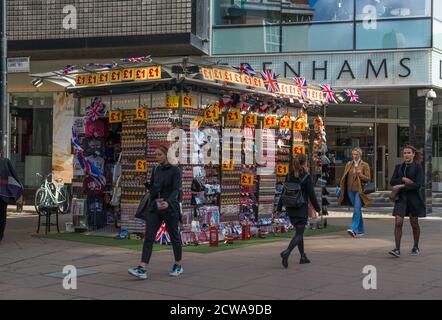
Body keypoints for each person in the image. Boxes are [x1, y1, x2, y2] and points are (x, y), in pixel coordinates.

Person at [128, 145, 183, 280]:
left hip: (170, 208)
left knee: (174, 237)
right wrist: (145, 183)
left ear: (166, 154)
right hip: (155, 207)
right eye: (156, 155)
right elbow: (153, 189)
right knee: (149, 237)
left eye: (159, 154)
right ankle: (142, 268)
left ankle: (178, 265)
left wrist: (168, 202)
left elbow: (176, 190)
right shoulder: (156, 169)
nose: (157, 157)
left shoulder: (175, 170)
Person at [277, 154, 321, 269]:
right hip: (301, 208)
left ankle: (303, 256)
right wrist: (318, 209)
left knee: (298, 232)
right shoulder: (306, 177)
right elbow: (312, 195)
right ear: (304, 163)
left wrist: (278, 208)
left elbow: (283, 193)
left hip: (290, 208)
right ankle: (287, 252)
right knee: (299, 233)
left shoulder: (288, 175)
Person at [389, 145, 425, 258]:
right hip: (401, 199)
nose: (406, 155)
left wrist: (401, 185)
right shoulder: (398, 167)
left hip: (413, 200)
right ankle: (397, 249)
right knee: (398, 223)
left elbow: (418, 185)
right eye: (404, 153)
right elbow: (392, 181)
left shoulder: (418, 167)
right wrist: (403, 180)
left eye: (409, 153)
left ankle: (416, 247)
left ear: (413, 154)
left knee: (414, 224)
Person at [338, 147, 371, 238]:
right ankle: (361, 230)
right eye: (353, 154)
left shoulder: (365, 165)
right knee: (358, 211)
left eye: (356, 154)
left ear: (360, 155)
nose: (355, 156)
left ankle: (353, 229)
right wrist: (341, 188)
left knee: (356, 209)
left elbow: (368, 178)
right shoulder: (349, 164)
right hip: (349, 190)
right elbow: (344, 177)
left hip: (359, 191)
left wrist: (360, 174)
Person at [0, 156, 23, 242]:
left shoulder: (6, 161)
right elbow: (13, 175)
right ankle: (0, 235)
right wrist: (19, 189)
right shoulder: (6, 161)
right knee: (2, 215)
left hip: (3, 193)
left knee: (2, 214)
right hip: (3, 193)